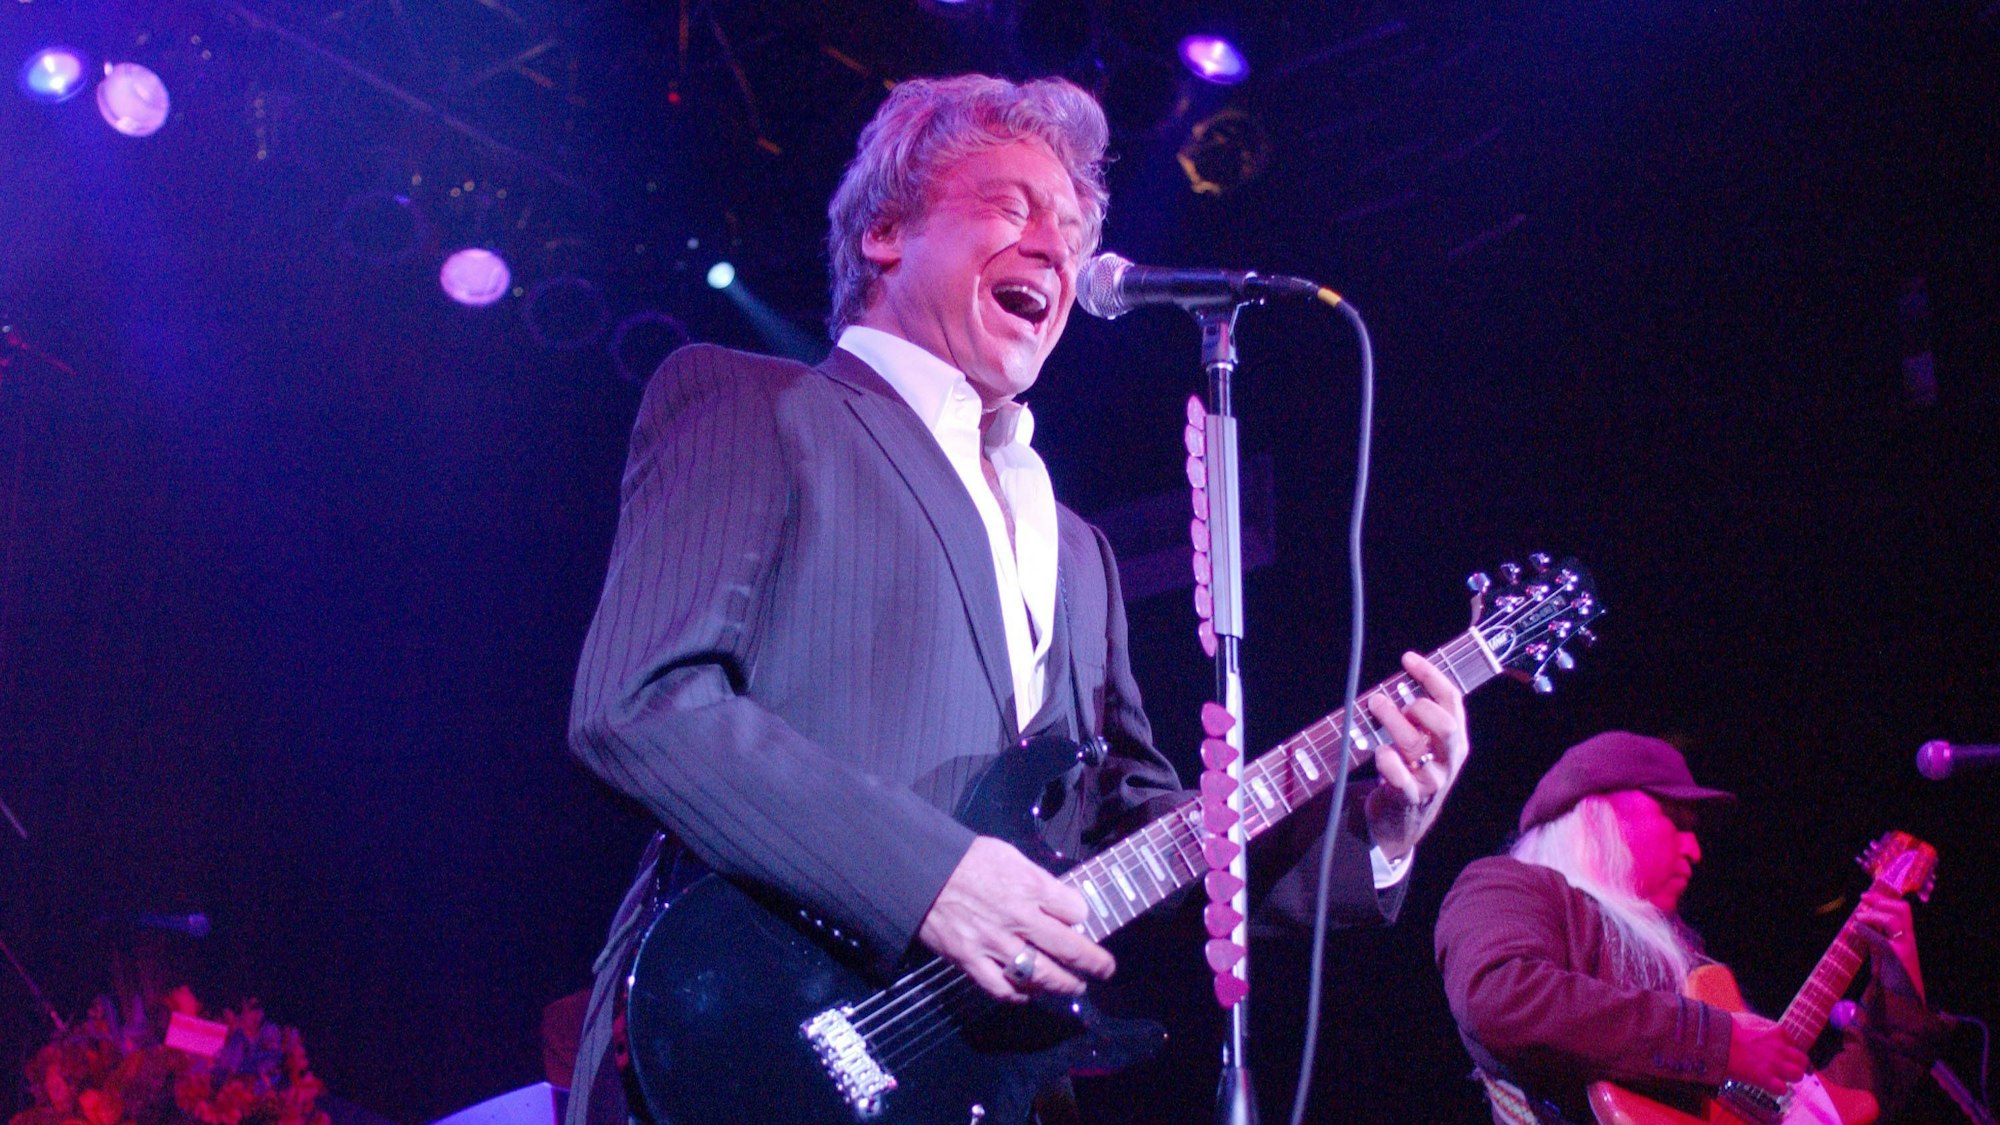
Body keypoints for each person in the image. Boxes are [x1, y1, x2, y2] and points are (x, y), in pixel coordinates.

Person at [564, 73, 1470, 1125]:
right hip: (747, 1041)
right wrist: (929, 880)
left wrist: (1371, 823)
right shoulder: (757, 405)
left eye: (1074, 228)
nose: (1056, 247)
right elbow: (640, 703)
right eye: (1010, 206)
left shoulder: (1077, 549)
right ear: (887, 231)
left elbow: (1131, 827)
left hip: (984, 1081)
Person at [1434, 731, 1945, 1125]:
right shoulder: (1508, 886)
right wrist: (1721, 1044)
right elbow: (1499, 997)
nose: (1695, 849)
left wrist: (1898, 990)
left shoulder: (1695, 969)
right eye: (1675, 818)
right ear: (1595, 811)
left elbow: (1842, 1108)